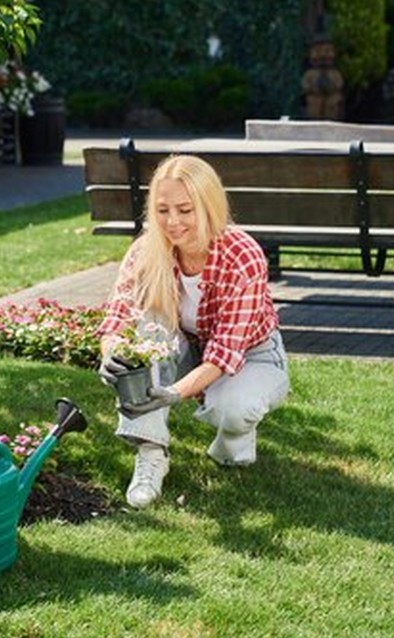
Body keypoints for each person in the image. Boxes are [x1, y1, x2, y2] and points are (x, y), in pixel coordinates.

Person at [97, 155, 289, 508]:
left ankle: (233, 440)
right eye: (163, 209)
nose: (172, 222)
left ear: (209, 206)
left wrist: (172, 393)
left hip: (251, 355)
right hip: (184, 345)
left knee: (234, 410)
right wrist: (111, 354)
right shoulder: (146, 250)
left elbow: (223, 354)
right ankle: (151, 454)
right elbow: (117, 318)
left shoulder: (241, 254)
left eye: (185, 210)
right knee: (147, 331)